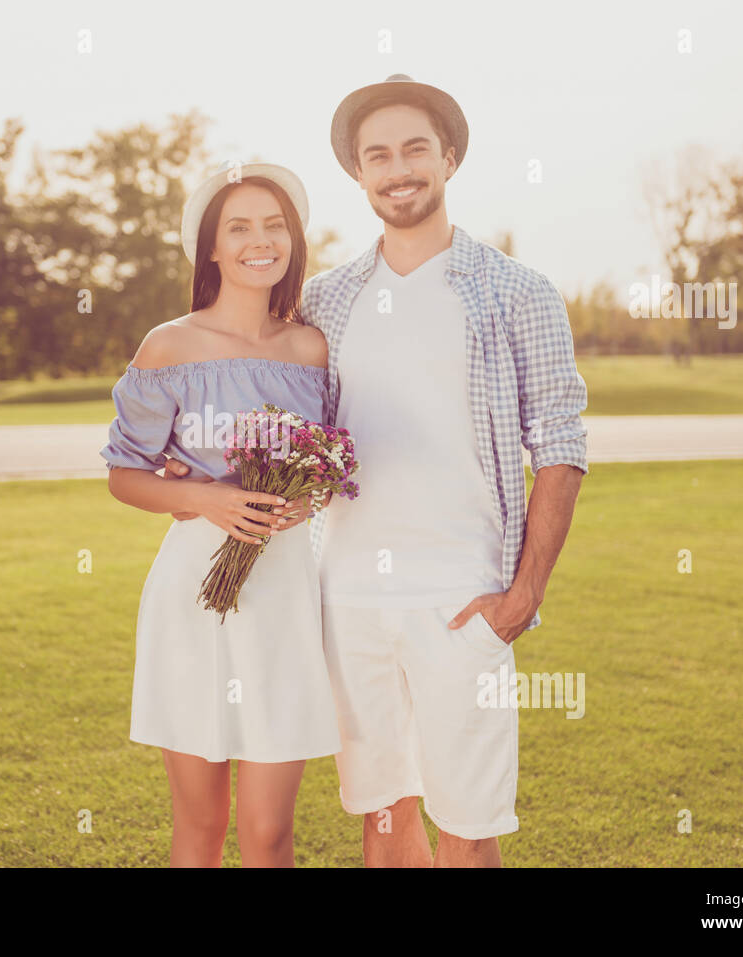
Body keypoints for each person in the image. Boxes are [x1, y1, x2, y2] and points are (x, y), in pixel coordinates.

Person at [163, 75, 589, 867]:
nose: (398, 169)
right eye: (377, 155)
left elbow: (561, 446)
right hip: (349, 600)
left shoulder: (518, 293)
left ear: (450, 158)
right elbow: (256, 389)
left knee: (467, 829)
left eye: (415, 149)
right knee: (385, 825)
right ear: (358, 174)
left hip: (465, 601)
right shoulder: (328, 300)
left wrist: (523, 595)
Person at [99, 163, 340, 867]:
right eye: (239, 227)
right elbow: (123, 474)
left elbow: (321, 464)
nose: (258, 241)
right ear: (211, 247)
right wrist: (204, 498)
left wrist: (306, 497)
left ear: (293, 241)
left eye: (274, 226)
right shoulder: (170, 346)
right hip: (192, 598)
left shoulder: (310, 349)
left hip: (284, 596)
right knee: (200, 830)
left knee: (269, 833)